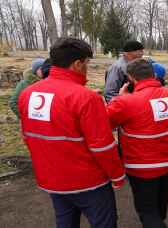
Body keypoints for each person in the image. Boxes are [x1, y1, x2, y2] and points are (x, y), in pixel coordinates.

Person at [18, 38, 125, 228]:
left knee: (65, 221)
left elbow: (27, 136)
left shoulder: (28, 94)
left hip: (52, 179)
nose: (87, 68)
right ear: (77, 64)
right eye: (87, 63)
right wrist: (117, 175)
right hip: (89, 181)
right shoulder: (86, 97)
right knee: (104, 223)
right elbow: (102, 145)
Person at [106, 58, 168, 228]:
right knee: (161, 198)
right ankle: (160, 220)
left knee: (146, 209)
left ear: (130, 78)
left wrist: (118, 99)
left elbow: (105, 123)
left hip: (140, 166)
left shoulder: (124, 102)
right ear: (153, 74)